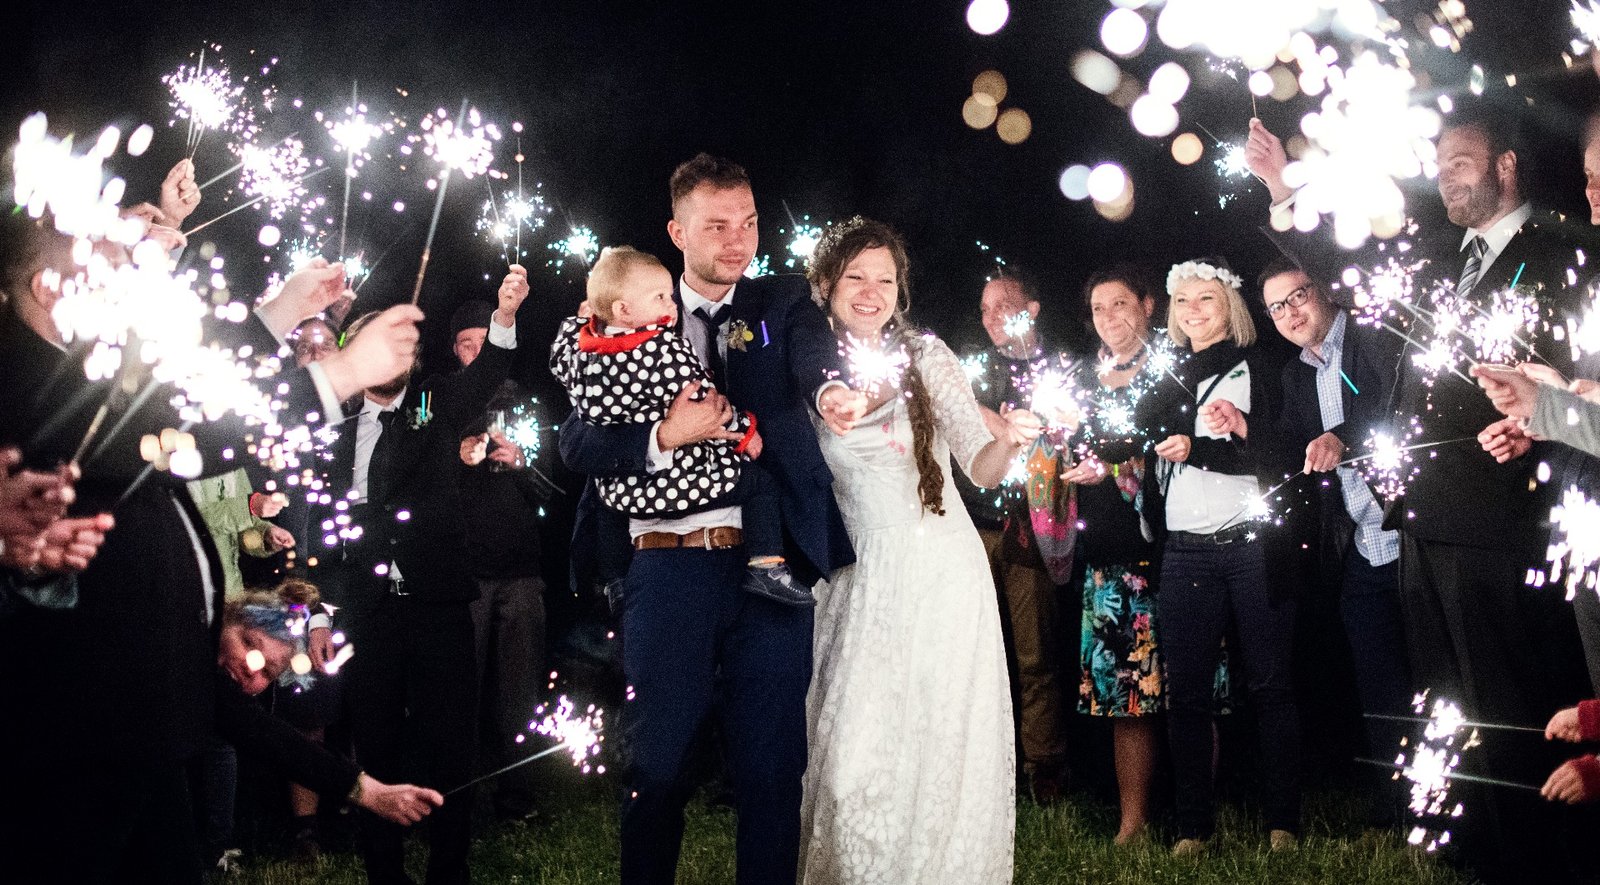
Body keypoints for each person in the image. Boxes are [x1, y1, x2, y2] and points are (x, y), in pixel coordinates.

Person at [0, 206, 424, 884]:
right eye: (102, 268)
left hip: (139, 744)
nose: (124, 286)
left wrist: (278, 314)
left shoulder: (78, 384)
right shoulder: (28, 386)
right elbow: (188, 428)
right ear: (51, 288)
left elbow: (179, 407)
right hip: (73, 752)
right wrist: (337, 376)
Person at [1251, 106, 1590, 878]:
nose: (1446, 177)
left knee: (1509, 699)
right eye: (1439, 166)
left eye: (1460, 162)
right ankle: (1475, 848)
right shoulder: (1441, 259)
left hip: (1503, 517)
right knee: (1450, 700)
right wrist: (1280, 189)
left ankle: (1539, 855)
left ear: (1506, 166)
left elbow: (1577, 380)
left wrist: (1539, 426)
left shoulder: (1554, 254)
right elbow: (1346, 269)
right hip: (1424, 517)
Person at [558, 154, 861, 885]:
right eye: (717, 226)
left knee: (772, 769)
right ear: (677, 232)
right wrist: (666, 435)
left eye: (749, 223)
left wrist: (829, 391)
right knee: (658, 765)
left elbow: (813, 354)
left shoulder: (781, 301)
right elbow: (576, 442)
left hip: (771, 566)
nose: (738, 240)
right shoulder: (630, 310)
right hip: (667, 567)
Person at [798, 217, 1040, 884]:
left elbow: (981, 466)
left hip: (943, 570)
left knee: (939, 735)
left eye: (885, 279)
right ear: (825, 286)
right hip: (859, 575)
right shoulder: (805, 366)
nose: (871, 291)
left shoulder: (928, 356)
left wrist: (1008, 440)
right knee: (853, 751)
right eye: (855, 277)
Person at [308, 265, 529, 885]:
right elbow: (321, 526)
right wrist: (320, 611)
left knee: (451, 745)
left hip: (438, 605)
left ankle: (448, 869)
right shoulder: (333, 428)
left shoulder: (434, 402)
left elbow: (485, 373)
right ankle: (384, 871)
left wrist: (504, 316)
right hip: (367, 612)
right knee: (375, 743)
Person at [1129, 258, 1300, 856]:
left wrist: (1215, 441)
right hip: (1184, 553)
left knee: (1271, 685)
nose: (1193, 310)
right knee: (1187, 695)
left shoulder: (1261, 366)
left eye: (1206, 298)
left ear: (1230, 306)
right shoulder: (1166, 372)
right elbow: (1136, 439)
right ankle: (1192, 828)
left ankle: (1283, 822)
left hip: (1252, 546)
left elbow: (1282, 455)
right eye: (1183, 300)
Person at [551, 245, 807, 606]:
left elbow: (563, 353)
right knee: (759, 483)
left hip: (624, 495)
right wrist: (736, 432)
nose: (669, 305)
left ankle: (614, 580)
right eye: (660, 298)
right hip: (678, 499)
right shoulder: (664, 350)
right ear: (679, 235)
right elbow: (705, 404)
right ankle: (766, 566)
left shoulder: (583, 353)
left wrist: (590, 322)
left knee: (608, 502)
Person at [1252, 257, 1411, 820]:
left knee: (1435, 671)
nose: (1290, 313)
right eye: (1276, 307)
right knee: (1379, 682)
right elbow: (1291, 448)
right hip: (1358, 546)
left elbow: (1395, 405)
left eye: (1297, 296)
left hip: (1413, 532)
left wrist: (1343, 437)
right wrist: (1246, 430)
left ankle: (1465, 808)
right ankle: (1398, 809)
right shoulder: (1295, 375)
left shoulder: (1373, 335)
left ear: (1322, 290)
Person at [958, 268, 1071, 800]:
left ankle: (1043, 768)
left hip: (1032, 530)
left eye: (1003, 304)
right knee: (975, 651)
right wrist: (999, 423)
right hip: (973, 527)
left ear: (1033, 308)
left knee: (1035, 655)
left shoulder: (1061, 368)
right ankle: (980, 768)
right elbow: (958, 410)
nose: (992, 317)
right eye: (984, 309)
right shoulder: (974, 371)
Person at [1065, 265, 1165, 844]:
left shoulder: (1172, 371)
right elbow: (1068, 450)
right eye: (1099, 308)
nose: (1109, 318)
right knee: (1127, 698)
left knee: (1191, 689)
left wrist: (1117, 467)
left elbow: (1170, 456)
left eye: (1120, 304)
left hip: (1171, 552)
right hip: (1108, 558)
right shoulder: (1082, 381)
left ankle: (1195, 815)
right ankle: (1132, 822)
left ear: (1147, 305)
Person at [450, 298, 556, 825]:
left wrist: (522, 462)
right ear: (456, 352)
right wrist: (456, 456)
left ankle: (516, 794)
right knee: (459, 688)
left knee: (519, 689)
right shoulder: (441, 405)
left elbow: (556, 492)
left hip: (521, 573)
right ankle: (459, 797)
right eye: (467, 344)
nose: (476, 352)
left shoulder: (528, 406)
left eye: (483, 342)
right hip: (462, 575)